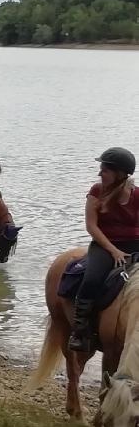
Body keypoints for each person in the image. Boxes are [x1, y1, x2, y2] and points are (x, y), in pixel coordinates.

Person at [67, 147, 138, 352]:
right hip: (104, 245)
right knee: (92, 279)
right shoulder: (96, 191)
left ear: (119, 173)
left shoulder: (137, 195)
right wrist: (113, 250)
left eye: (104, 170)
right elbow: (91, 226)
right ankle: (79, 331)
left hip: (134, 244)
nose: (100, 174)